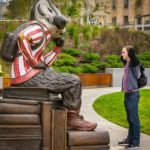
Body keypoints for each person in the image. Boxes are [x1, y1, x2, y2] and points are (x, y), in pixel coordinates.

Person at [10, 0, 97, 131]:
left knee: (64, 78)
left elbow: (44, 63)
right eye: (59, 30)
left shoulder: (42, 34)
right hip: (26, 76)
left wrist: (57, 48)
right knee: (73, 81)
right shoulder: (38, 29)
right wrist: (33, 62)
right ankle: (72, 119)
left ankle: (72, 116)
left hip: (28, 74)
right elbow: (22, 38)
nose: (60, 33)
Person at [118, 45, 141, 149]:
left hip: (133, 94)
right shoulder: (127, 63)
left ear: (129, 53)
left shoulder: (134, 63)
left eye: (123, 52)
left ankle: (135, 142)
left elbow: (134, 58)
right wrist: (124, 57)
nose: (121, 54)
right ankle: (130, 139)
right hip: (128, 95)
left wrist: (130, 51)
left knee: (134, 119)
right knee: (130, 119)